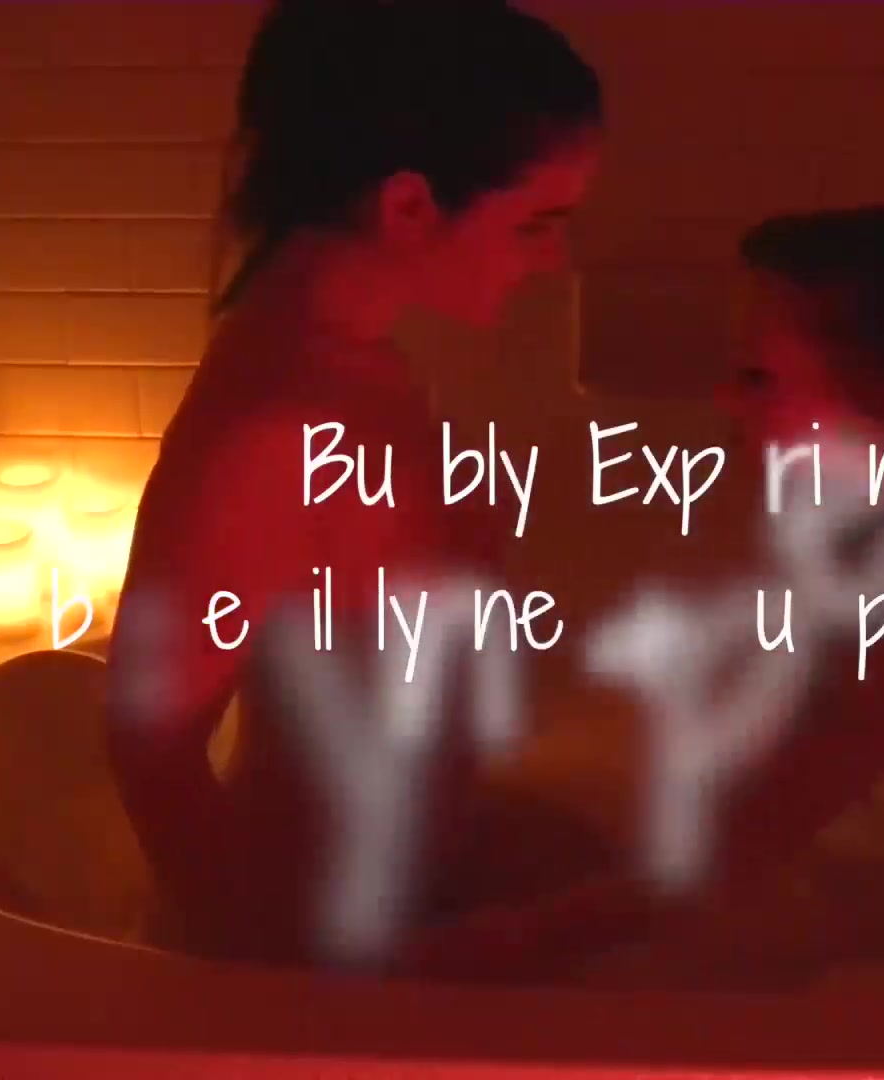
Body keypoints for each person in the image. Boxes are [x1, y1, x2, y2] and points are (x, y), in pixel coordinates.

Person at [402, 207, 884, 982]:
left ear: (882, 396)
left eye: (759, 376)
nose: (726, 400)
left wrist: (516, 941)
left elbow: (742, 846)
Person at [106, 0, 606, 964]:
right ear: (410, 207)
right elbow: (150, 749)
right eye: (538, 223)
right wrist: (291, 999)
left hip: (409, 891)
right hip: (316, 946)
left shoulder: (356, 359)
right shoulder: (275, 424)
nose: (555, 259)